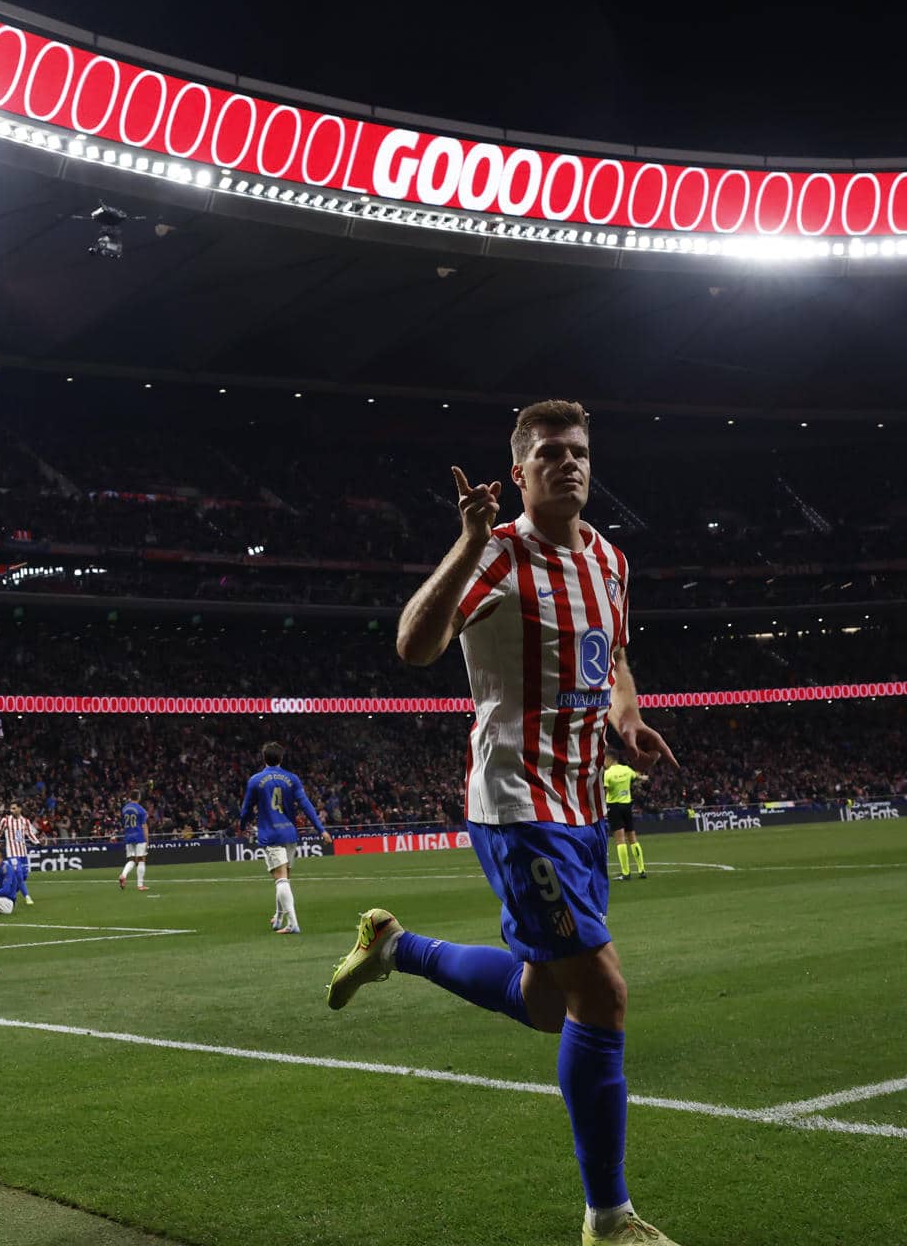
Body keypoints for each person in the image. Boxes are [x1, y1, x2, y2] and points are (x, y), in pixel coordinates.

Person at [326, 400, 681, 1246]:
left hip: (584, 806)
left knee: (546, 1004)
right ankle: (609, 1218)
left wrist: (628, 718)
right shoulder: (498, 557)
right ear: (519, 472)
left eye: (581, 452)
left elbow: (618, 659)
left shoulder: (610, 562)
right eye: (551, 454)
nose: (570, 464)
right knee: (602, 992)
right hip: (518, 804)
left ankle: (395, 946)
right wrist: (468, 540)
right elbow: (415, 644)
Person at [238, 743, 330, 934]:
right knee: (284, 879)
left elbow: (246, 809)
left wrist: (241, 826)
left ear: (264, 758)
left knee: (280, 880)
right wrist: (321, 829)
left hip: (271, 834)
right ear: (281, 758)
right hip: (289, 833)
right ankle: (279, 918)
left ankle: (292, 923)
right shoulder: (292, 779)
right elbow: (306, 805)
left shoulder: (255, 780)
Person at [601, 749, 648, 879]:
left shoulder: (608, 774)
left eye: (604, 759)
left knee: (620, 840)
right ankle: (641, 870)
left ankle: (626, 873)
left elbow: (605, 791)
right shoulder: (626, 770)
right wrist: (643, 777)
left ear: (609, 759)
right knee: (632, 838)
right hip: (627, 806)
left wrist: (603, 808)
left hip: (614, 807)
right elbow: (638, 776)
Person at [0, 803, 37, 905]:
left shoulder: (25, 821)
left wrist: (37, 842)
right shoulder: (6, 820)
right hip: (12, 853)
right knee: (19, 875)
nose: (11, 810)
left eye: (14, 808)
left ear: (20, 809)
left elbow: (30, 833)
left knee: (24, 876)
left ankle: (9, 894)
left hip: (23, 853)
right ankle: (27, 897)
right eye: (11, 808)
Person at [118, 791, 149, 891]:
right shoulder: (141, 810)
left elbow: (123, 823)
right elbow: (144, 826)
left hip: (128, 836)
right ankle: (140, 885)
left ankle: (123, 875)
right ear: (138, 797)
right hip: (139, 836)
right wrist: (147, 840)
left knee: (132, 860)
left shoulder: (124, 809)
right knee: (141, 859)